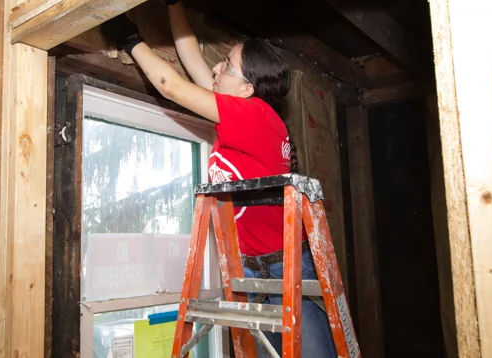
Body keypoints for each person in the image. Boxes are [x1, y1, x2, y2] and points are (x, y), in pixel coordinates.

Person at [100, 1, 337, 356]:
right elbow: (191, 58)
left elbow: (171, 86)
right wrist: (175, 5)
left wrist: (129, 39)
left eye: (227, 65)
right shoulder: (243, 116)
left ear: (246, 90)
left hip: (284, 268)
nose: (216, 66)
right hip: (255, 269)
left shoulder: (255, 116)